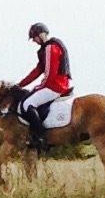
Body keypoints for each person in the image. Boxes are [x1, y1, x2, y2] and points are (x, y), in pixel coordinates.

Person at [16, 22, 73, 151]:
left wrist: (39, 87)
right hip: (57, 84)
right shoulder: (47, 48)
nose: (34, 41)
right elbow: (38, 70)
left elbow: (50, 73)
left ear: (41, 34)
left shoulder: (50, 48)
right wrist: (20, 84)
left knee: (27, 104)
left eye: (35, 37)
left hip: (55, 85)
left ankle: (41, 138)